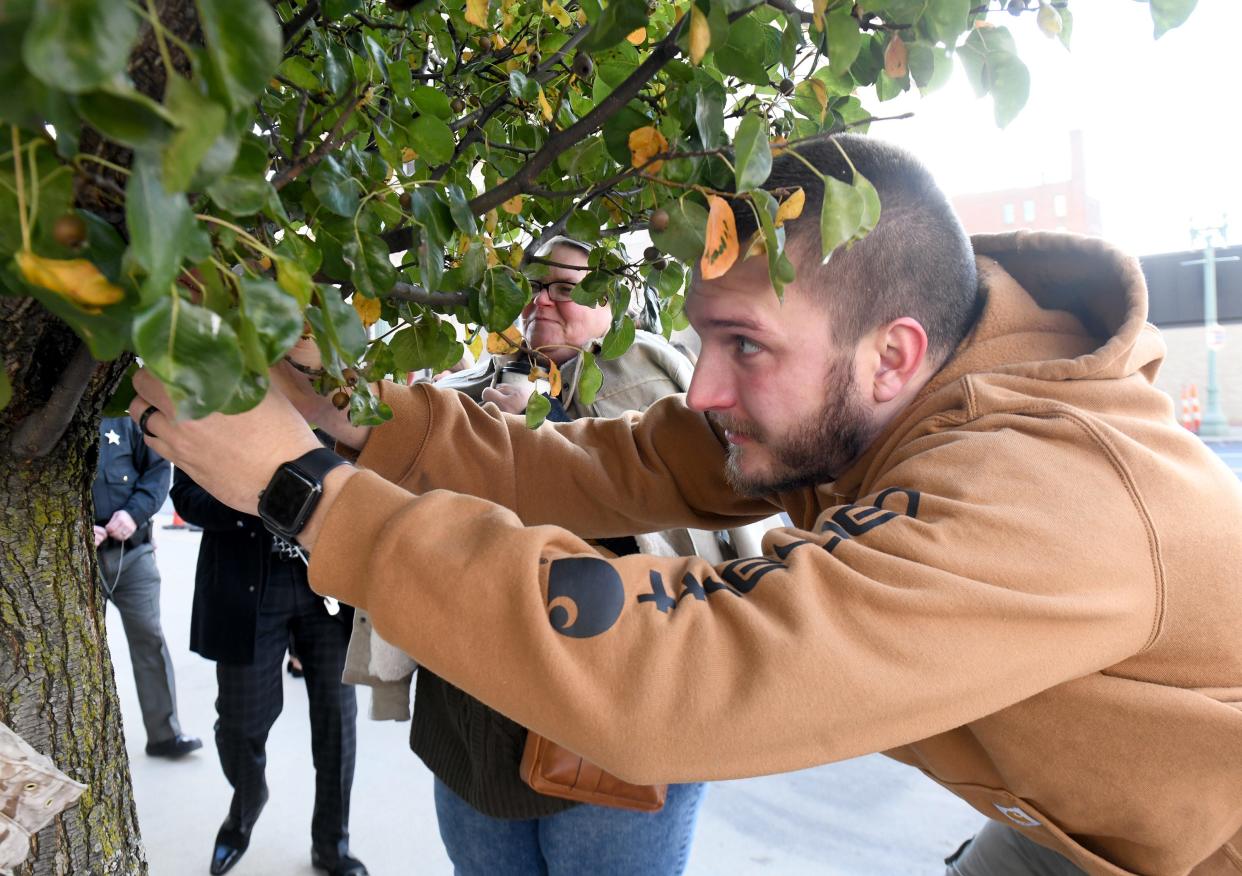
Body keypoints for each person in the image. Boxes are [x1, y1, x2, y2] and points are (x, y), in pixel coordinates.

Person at [129, 134, 1242, 876]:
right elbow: (592, 467)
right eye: (708, 333)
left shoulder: (1054, 497)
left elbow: (687, 671)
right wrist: (361, 409)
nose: (702, 386)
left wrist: (303, 489)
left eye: (743, 344)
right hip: (1060, 827)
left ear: (894, 353)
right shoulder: (885, 389)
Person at [350, 237, 774, 875]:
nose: (542, 301)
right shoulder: (467, 383)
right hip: (474, 728)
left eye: (568, 290)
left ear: (615, 304)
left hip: (613, 730)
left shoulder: (653, 382)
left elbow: (665, 552)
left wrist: (537, 434)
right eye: (532, 287)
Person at [171, 452, 367, 876]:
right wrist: (258, 500)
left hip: (325, 586)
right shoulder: (212, 409)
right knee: (240, 724)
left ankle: (333, 844)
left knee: (337, 722)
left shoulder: (329, 400)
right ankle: (245, 806)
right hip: (247, 588)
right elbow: (185, 498)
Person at [91, 415, 200, 760]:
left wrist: (133, 513)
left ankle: (165, 734)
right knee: (83, 650)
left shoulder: (127, 418)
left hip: (132, 553)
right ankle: (89, 746)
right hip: (78, 557)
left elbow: (157, 472)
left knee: (149, 640)